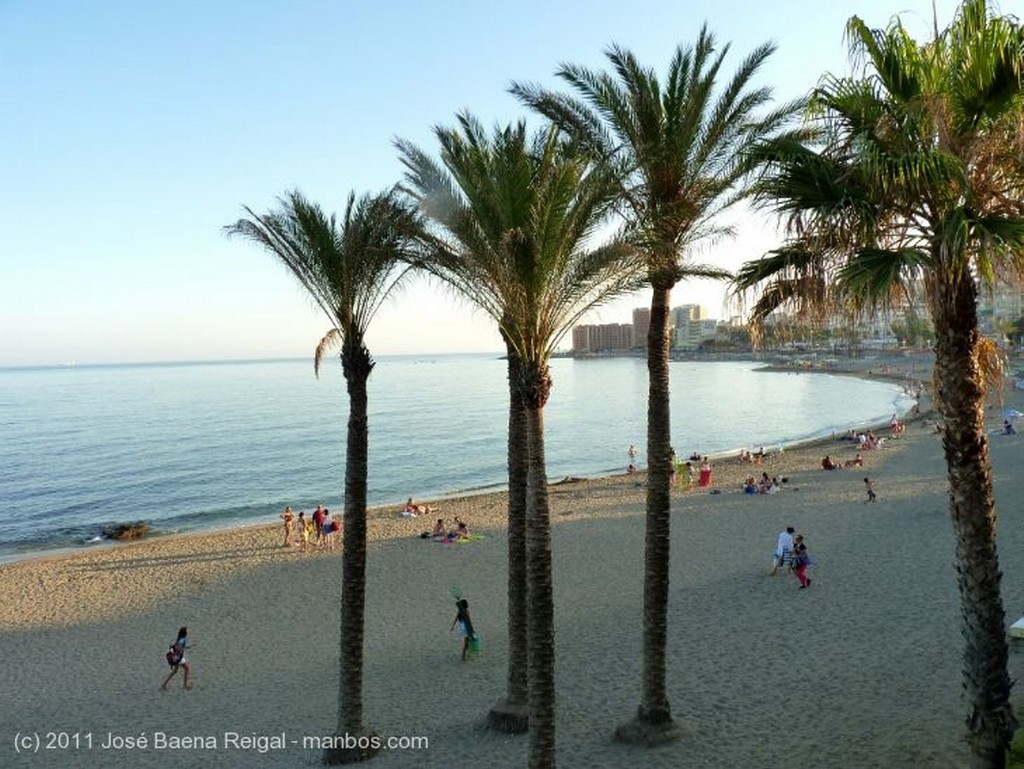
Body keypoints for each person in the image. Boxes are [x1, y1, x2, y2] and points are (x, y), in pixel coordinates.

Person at [161, 626, 192, 690]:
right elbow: (178, 647)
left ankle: (164, 684)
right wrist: (185, 648)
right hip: (179, 657)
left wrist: (186, 647)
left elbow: (177, 646)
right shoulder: (182, 639)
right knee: (187, 669)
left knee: (175, 671)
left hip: (177, 656)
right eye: (187, 631)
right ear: (185, 633)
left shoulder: (180, 638)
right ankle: (185, 685)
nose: (188, 632)